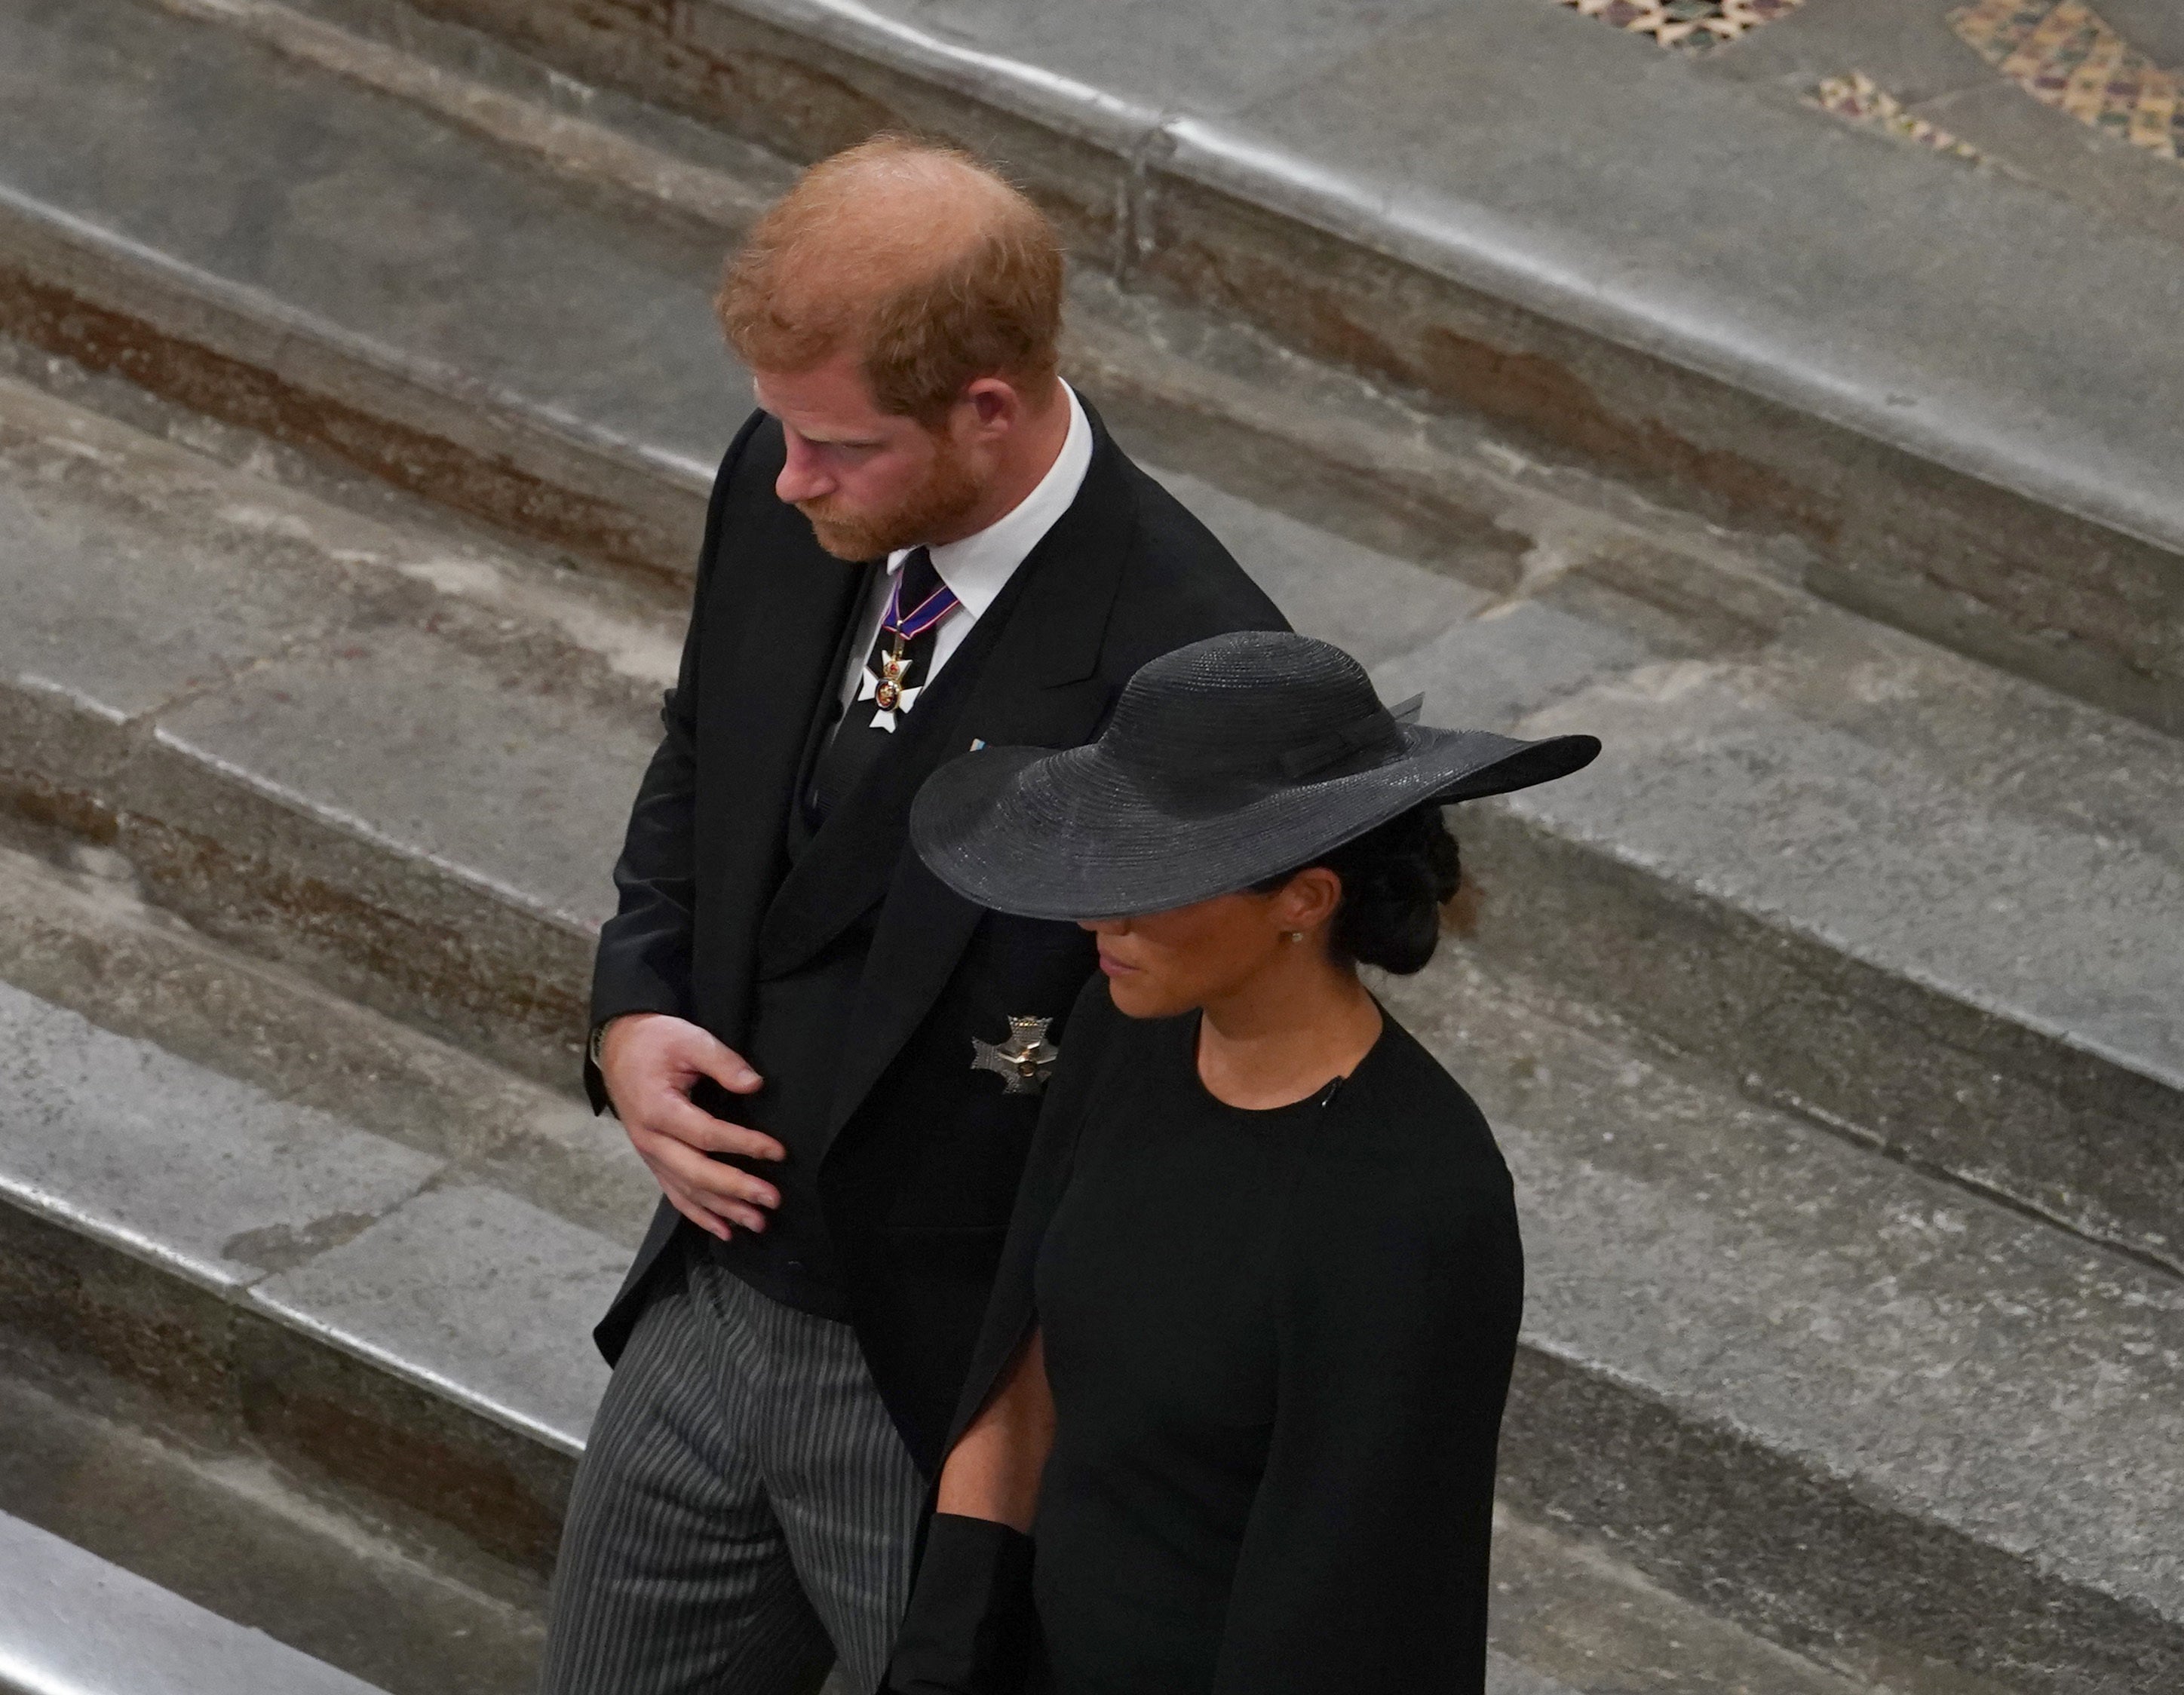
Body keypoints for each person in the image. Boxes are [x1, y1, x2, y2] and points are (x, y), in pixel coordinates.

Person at [541, 139, 1285, 1694]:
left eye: (838, 446)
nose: (789, 476)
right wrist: (634, 1000)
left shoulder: (1184, 665)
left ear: (988, 410)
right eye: (781, 432)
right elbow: (705, 755)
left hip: (941, 1388)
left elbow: (1187, 1110)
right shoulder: (783, 486)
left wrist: (1016, 1447)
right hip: (709, 1292)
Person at [884, 630, 1600, 1695]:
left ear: (1304, 901)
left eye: (1152, 879)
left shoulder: (1414, 1202)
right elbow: (1021, 1375)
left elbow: (1358, 1592)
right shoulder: (1129, 1029)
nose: (1097, 915)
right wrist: (941, 1666)